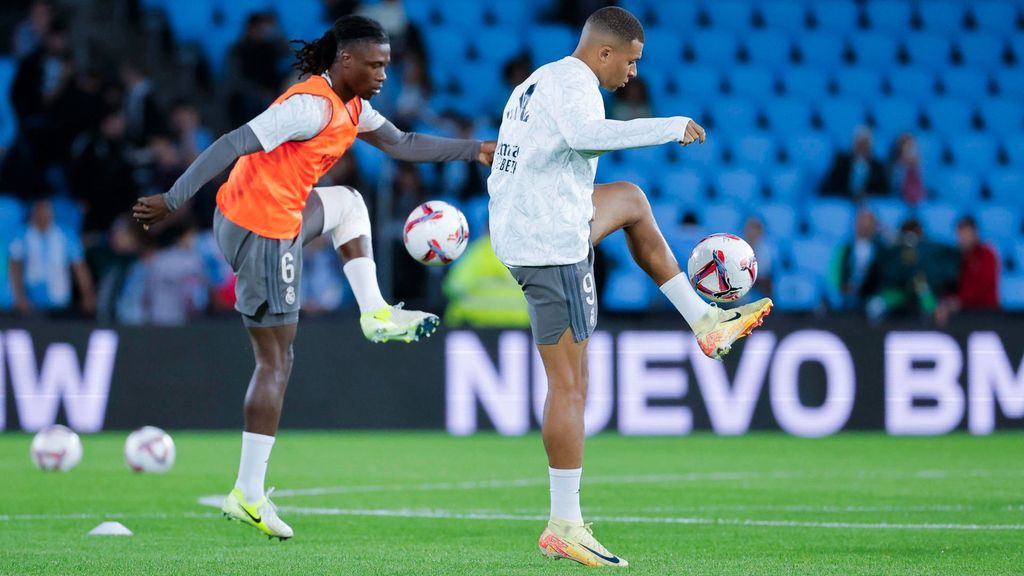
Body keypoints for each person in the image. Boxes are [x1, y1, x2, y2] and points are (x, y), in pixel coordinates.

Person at [133, 15, 496, 541]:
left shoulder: (352, 106)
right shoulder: (308, 106)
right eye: (374, 65)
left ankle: (375, 314)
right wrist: (172, 199)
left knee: (349, 204)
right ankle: (248, 494)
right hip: (260, 229)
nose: (383, 75)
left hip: (266, 216)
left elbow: (403, 143)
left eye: (387, 66)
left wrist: (474, 149)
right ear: (345, 61)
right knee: (276, 360)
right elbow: (232, 143)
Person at [487, 7, 772, 567]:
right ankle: (564, 523)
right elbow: (585, 135)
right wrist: (669, 125)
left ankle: (707, 322)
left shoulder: (538, 79)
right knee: (569, 388)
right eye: (632, 62)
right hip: (549, 246)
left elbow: (517, 159)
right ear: (604, 54)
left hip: (529, 223)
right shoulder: (577, 86)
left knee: (631, 201)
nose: (634, 74)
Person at [9, 198, 96, 317]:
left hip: (60, 300)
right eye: (38, 210)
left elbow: (79, 267)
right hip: (31, 302)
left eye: (45, 210)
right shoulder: (22, 234)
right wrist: (19, 296)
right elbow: (15, 266)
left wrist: (87, 294)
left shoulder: (66, 235)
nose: (42, 215)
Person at [935, 215, 1000, 323]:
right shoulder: (955, 257)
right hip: (962, 315)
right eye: (960, 234)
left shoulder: (988, 255)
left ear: (975, 234)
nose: (963, 238)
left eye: (966, 234)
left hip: (987, 313)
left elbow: (983, 284)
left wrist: (960, 301)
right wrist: (945, 303)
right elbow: (949, 285)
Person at [820, 126, 888, 199]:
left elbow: (884, 191)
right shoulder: (841, 162)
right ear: (853, 143)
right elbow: (829, 187)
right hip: (844, 201)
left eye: (865, 143)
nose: (861, 147)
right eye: (859, 143)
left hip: (868, 203)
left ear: (870, 145)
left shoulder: (877, 166)